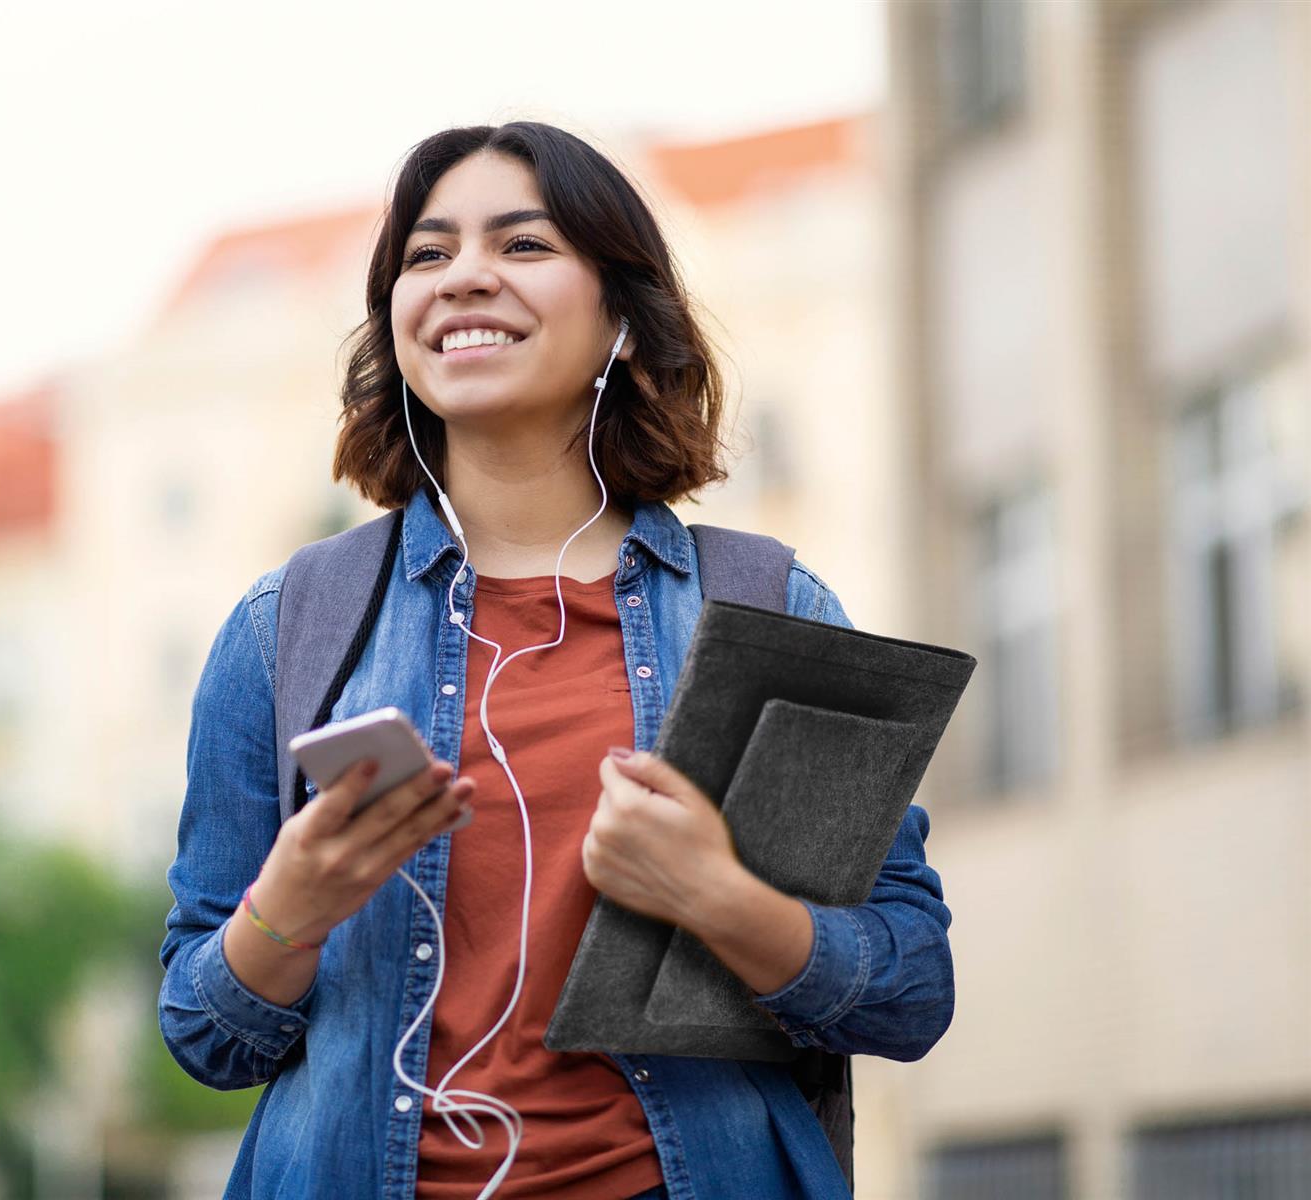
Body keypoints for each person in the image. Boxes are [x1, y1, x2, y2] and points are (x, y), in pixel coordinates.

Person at [159, 122, 955, 1200]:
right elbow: (204, 1034)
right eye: (427, 254)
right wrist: (288, 909)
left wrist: (720, 899)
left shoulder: (769, 605)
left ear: (622, 319)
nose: (464, 276)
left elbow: (910, 989)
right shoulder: (283, 628)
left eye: (523, 244)